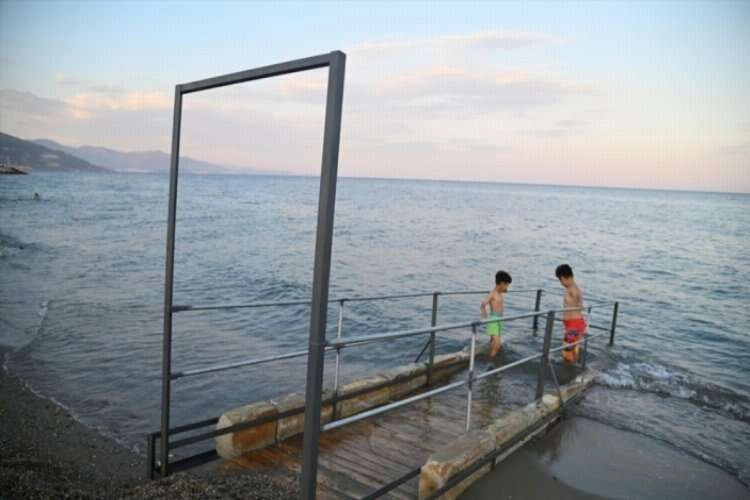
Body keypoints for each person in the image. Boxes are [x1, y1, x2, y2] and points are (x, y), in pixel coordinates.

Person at [555, 264, 586, 363]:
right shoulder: (573, 288)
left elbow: (579, 305)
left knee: (566, 352)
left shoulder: (573, 290)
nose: (561, 283)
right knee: (572, 351)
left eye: (560, 280)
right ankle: (574, 368)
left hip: (574, 326)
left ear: (563, 277)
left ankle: (568, 369)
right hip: (573, 324)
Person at [480, 270, 512, 359]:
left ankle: (489, 353)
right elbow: (482, 306)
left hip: (499, 320)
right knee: (497, 345)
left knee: (493, 341)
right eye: (507, 285)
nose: (507, 287)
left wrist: (505, 289)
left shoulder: (500, 292)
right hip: (493, 320)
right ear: (501, 283)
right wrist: (486, 319)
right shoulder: (492, 294)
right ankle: (491, 361)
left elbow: (505, 291)